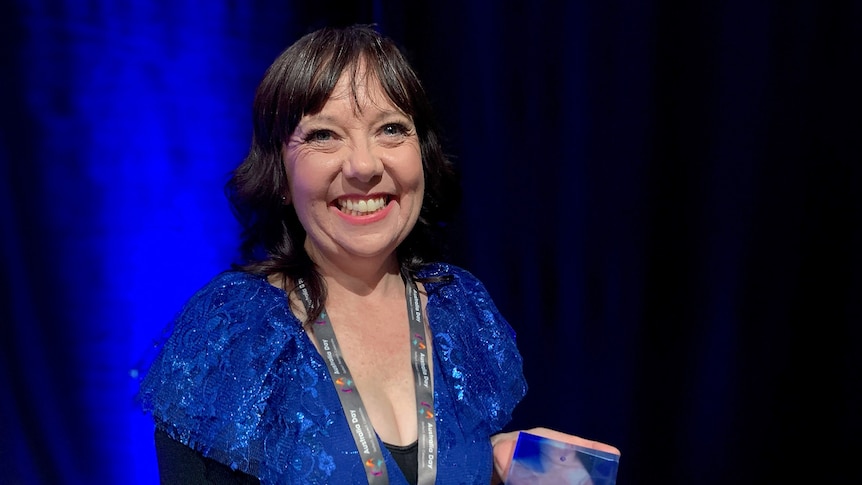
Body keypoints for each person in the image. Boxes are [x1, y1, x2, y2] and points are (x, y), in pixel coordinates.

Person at [137, 24, 618, 485]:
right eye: (324, 135)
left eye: (391, 129)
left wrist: (506, 466)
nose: (364, 166)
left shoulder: (461, 310)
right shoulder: (231, 332)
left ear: (422, 157)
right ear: (280, 175)